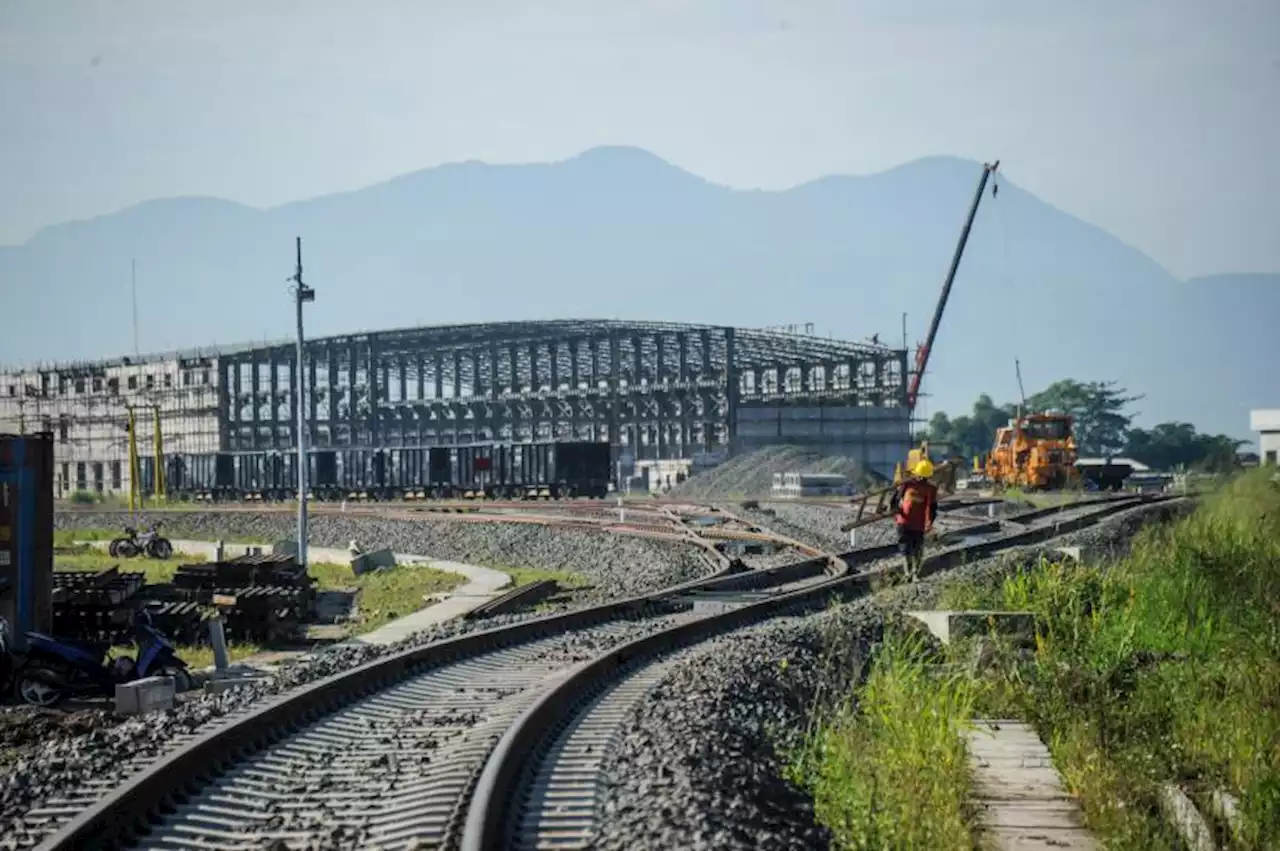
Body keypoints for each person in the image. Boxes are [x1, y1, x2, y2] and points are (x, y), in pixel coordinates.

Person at [891, 459, 939, 581]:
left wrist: (929, 523)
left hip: (917, 524)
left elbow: (933, 508)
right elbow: (895, 500)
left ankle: (913, 574)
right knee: (906, 549)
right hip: (905, 523)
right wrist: (896, 514)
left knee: (916, 550)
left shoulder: (930, 489)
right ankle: (909, 574)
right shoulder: (906, 484)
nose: (921, 479)